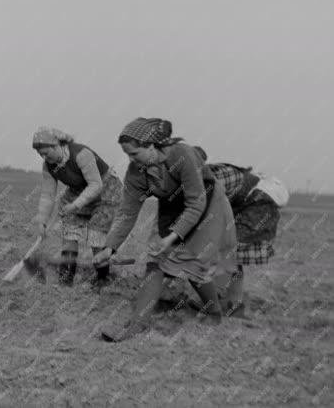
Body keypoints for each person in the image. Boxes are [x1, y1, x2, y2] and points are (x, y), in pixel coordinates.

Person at [95, 118, 237, 342]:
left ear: (152, 146)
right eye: (127, 155)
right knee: (156, 260)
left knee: (192, 261)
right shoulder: (136, 172)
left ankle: (213, 311)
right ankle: (136, 324)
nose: (131, 160)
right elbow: (127, 212)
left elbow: (196, 203)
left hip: (207, 203)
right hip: (171, 206)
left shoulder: (182, 154)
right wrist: (109, 248)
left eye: (134, 153)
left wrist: (172, 237)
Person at [32, 127, 123, 289]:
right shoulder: (48, 166)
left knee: (96, 233)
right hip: (78, 191)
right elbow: (47, 194)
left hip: (106, 190)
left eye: (46, 153)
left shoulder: (81, 154)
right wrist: (42, 220)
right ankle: (66, 280)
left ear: (56, 145)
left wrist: (75, 205)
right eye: (40, 154)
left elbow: (95, 185)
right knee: (69, 232)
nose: (44, 157)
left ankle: (103, 279)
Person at [207, 161, 282, 317]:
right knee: (231, 255)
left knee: (228, 250)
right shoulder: (208, 176)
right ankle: (232, 305)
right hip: (244, 207)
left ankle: (219, 301)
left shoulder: (215, 178)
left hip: (257, 209)